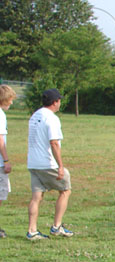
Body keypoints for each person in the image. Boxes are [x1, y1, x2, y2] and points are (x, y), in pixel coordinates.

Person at [26, 88, 74, 240]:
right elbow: (54, 143)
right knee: (65, 190)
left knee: (36, 197)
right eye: (59, 100)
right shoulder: (52, 118)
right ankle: (57, 227)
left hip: (33, 162)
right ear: (55, 102)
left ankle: (32, 230)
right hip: (47, 163)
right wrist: (60, 165)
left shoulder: (35, 116)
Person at [0, 84, 17, 238]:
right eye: (10, 99)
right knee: (0, 194)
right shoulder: (0, 115)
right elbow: (0, 139)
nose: (11, 103)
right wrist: (6, 160)